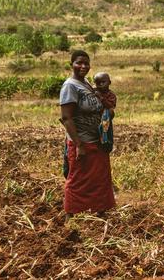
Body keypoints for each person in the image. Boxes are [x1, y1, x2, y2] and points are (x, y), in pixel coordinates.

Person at [60, 50, 115, 219]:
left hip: (97, 140)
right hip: (82, 141)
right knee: (78, 179)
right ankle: (71, 217)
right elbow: (66, 117)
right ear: (71, 64)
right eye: (79, 63)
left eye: (86, 63)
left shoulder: (86, 83)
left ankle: (100, 212)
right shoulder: (70, 86)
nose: (83, 66)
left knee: (100, 177)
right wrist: (78, 145)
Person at [94, 72, 116, 153]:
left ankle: (106, 141)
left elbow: (110, 106)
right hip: (96, 116)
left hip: (105, 116)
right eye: (98, 83)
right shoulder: (94, 91)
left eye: (103, 82)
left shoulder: (111, 95)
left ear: (109, 82)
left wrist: (100, 97)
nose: (101, 84)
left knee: (105, 129)